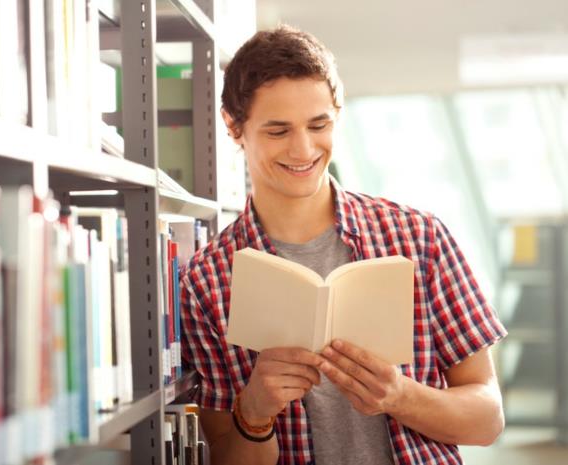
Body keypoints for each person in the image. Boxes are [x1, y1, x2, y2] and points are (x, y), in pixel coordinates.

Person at [180, 25, 507, 465]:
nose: (304, 149)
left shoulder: (420, 239)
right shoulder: (207, 279)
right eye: (278, 131)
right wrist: (254, 412)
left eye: (319, 125)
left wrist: (399, 395)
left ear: (338, 113)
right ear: (234, 127)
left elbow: (487, 419)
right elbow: (228, 457)